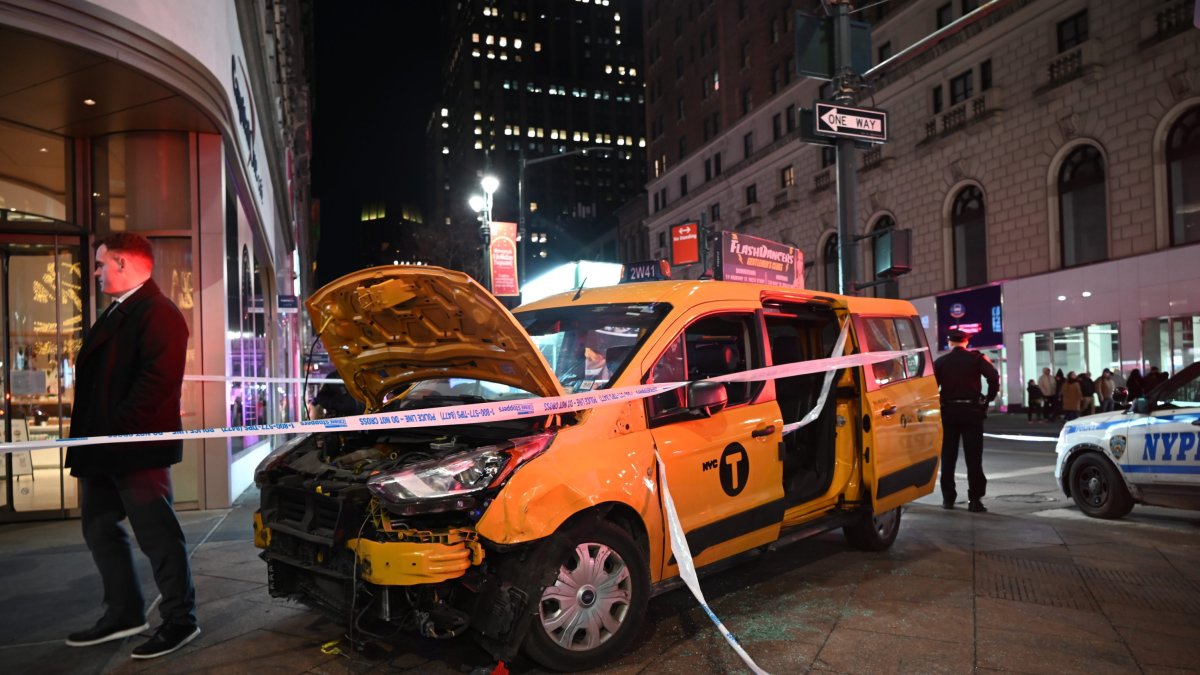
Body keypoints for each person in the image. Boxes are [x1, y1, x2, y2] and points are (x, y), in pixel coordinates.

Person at [64, 233, 199, 659]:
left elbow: (157, 385)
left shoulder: (159, 312)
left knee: (158, 536)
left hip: (134, 449)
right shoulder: (120, 311)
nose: (96, 272)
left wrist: (115, 432)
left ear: (123, 263)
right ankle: (124, 613)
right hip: (103, 448)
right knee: (99, 528)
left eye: (101, 263)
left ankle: (180, 619)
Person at [934, 329, 999, 513]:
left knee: (948, 456)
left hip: (948, 412)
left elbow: (931, 386)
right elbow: (993, 377)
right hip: (972, 412)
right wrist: (988, 398)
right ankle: (975, 500)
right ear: (966, 342)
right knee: (974, 457)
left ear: (950, 343)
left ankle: (948, 499)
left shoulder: (941, 362)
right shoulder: (976, 359)